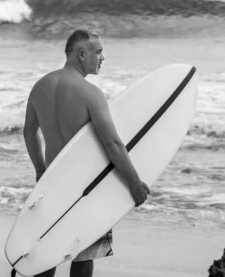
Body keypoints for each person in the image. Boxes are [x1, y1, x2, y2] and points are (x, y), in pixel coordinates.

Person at [23, 29, 150, 277]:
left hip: (53, 184)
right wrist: (134, 182)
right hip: (86, 187)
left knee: (48, 253)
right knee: (83, 252)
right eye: (99, 52)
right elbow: (112, 143)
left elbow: (29, 133)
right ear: (82, 54)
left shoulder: (40, 86)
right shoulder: (90, 93)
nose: (103, 58)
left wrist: (40, 170)